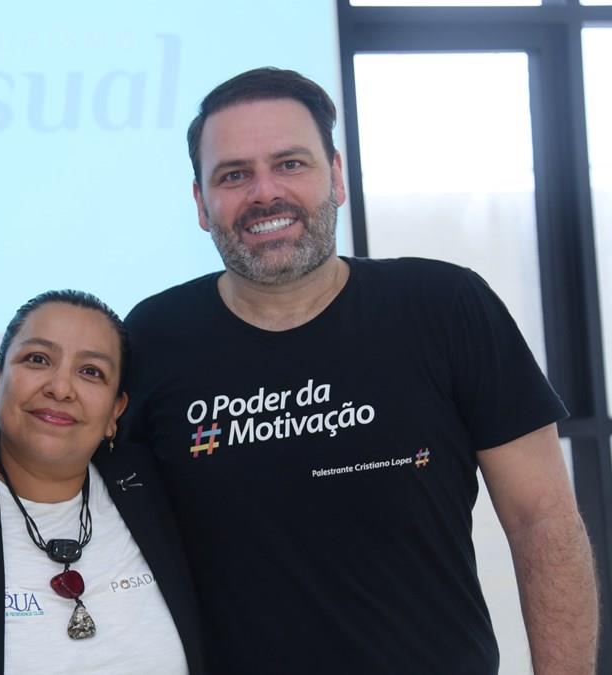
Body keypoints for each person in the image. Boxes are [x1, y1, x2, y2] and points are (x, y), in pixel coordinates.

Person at [123, 67, 598, 674]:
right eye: (234, 175)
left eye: (290, 163)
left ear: (337, 176)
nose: (265, 193)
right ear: (200, 202)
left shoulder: (445, 306)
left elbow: (543, 520)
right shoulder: (154, 337)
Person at [0, 290, 207, 675]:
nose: (61, 388)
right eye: (38, 359)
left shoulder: (157, 490)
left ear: (115, 411)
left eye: (91, 371)